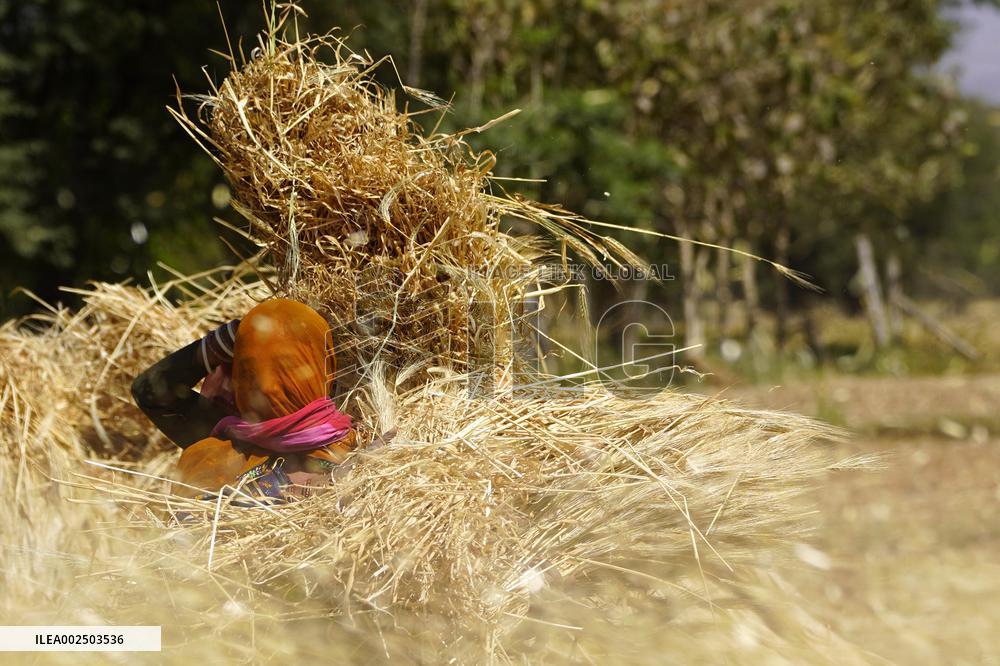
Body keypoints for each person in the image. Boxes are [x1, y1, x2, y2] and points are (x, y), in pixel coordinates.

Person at [132, 298, 357, 501]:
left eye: (286, 366)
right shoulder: (230, 438)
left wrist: (215, 348)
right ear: (326, 367)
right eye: (253, 368)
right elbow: (150, 391)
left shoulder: (368, 451)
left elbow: (150, 391)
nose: (268, 384)